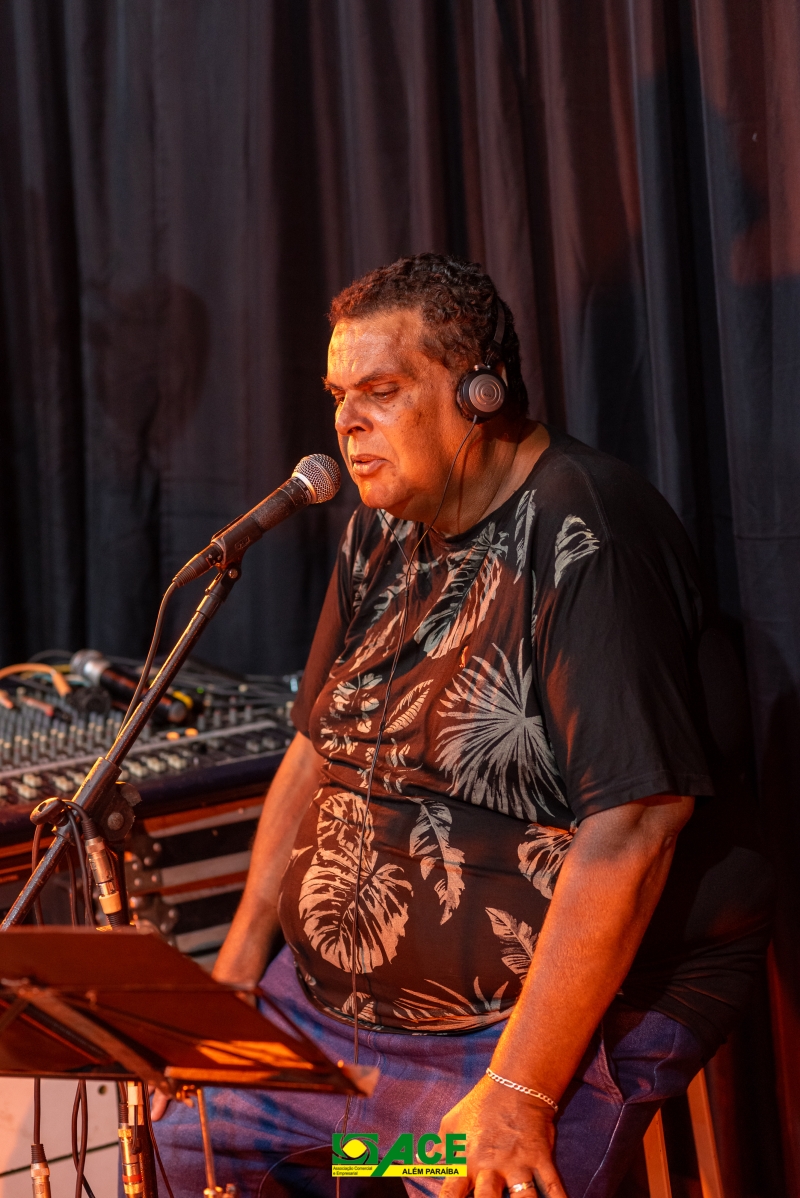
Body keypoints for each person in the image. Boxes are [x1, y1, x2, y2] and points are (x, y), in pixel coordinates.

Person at [152, 254, 773, 1198]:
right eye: (338, 396)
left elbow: (636, 825)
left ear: (481, 394)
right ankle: (369, 1150)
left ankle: (388, 1153)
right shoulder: (381, 521)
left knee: (454, 1180)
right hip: (325, 1011)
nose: (348, 424)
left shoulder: (587, 535)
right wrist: (235, 975)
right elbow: (317, 748)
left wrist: (520, 1093)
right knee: (183, 1143)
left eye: (382, 392)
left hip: (513, 1037)